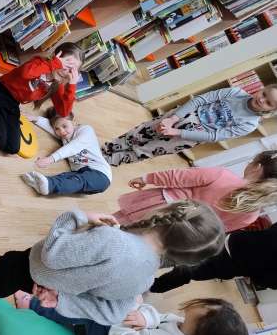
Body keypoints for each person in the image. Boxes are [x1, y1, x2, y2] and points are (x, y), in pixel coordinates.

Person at [0, 201, 224, 335]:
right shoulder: (146, 278)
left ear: (169, 212)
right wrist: (62, 298)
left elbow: (52, 253)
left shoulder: (114, 241)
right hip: (45, 284)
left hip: (32, 269)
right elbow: (112, 313)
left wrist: (79, 217)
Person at [101, 86, 277, 166]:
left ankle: (107, 162)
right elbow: (201, 100)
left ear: (271, 110)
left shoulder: (249, 124)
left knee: (146, 150)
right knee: (138, 133)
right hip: (181, 115)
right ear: (261, 88)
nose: (262, 100)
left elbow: (214, 136)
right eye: (264, 94)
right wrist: (173, 119)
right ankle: (104, 150)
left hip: (187, 136)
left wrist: (177, 132)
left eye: (268, 102)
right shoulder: (235, 92)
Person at [14, 293, 248, 335]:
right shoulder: (183, 325)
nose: (201, 303)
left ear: (203, 327)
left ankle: (35, 305)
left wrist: (128, 311)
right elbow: (158, 318)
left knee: (94, 315)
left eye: (206, 307)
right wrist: (145, 316)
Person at [114, 150, 277, 232]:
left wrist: (146, 178)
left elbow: (177, 177)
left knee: (116, 221)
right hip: (179, 229)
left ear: (257, 167)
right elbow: (218, 229)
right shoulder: (252, 214)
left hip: (160, 205)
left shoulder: (222, 175)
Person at [0, 42, 83, 154]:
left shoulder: (57, 84)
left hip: (13, 103)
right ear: (56, 56)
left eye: (71, 70)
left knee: (12, 148)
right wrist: (53, 64)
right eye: (66, 65)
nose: (65, 72)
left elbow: (63, 112)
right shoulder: (39, 63)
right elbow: (26, 73)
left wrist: (72, 85)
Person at [152, 219, 277, 293]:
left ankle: (149, 279)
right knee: (185, 269)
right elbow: (264, 280)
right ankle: (150, 283)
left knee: (182, 258)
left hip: (229, 245)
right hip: (229, 261)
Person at [21, 107, 112, 196]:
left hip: (101, 175)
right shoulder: (64, 136)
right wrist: (35, 119)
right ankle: (40, 184)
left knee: (78, 181)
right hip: (80, 172)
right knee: (65, 177)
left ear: (73, 122)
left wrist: (50, 159)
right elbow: (50, 126)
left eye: (64, 126)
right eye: (57, 129)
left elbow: (73, 147)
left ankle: (50, 185)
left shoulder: (86, 130)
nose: (62, 131)